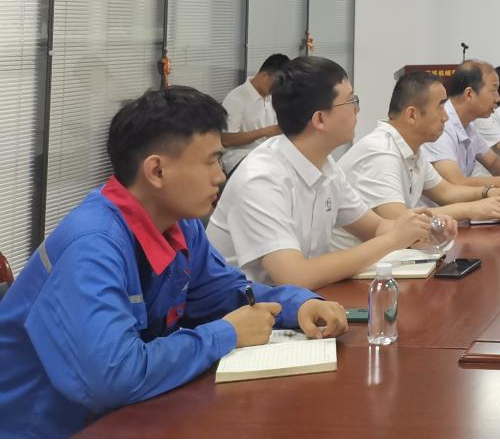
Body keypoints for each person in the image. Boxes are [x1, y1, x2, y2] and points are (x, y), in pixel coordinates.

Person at [0, 86, 347, 439]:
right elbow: (113, 376)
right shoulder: (92, 245)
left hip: (129, 418)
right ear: (157, 171)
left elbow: (225, 293)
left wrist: (298, 304)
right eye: (210, 161)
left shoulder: (179, 225)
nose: (220, 176)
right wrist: (225, 334)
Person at [207, 56, 438, 290]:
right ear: (320, 119)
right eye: (351, 101)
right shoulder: (262, 178)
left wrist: (417, 226)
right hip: (242, 308)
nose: (357, 110)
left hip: (299, 302)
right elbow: (295, 277)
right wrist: (392, 240)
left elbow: (376, 228)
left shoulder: (326, 166)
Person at [332, 72, 500, 245]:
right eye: (440, 107)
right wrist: (472, 209)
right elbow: (401, 222)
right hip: (359, 266)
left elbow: (446, 192)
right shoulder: (381, 152)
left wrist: (488, 193)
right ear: (412, 115)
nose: (445, 117)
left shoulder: (412, 149)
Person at [422, 61, 500, 190]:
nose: (498, 98)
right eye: (493, 90)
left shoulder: (469, 125)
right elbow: (456, 183)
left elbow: (493, 162)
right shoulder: (441, 126)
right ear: (469, 94)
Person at [219, 53, 289, 174]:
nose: (277, 90)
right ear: (264, 76)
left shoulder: (271, 97)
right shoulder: (237, 98)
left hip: (267, 153)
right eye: (276, 85)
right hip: (240, 156)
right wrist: (263, 132)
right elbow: (225, 140)